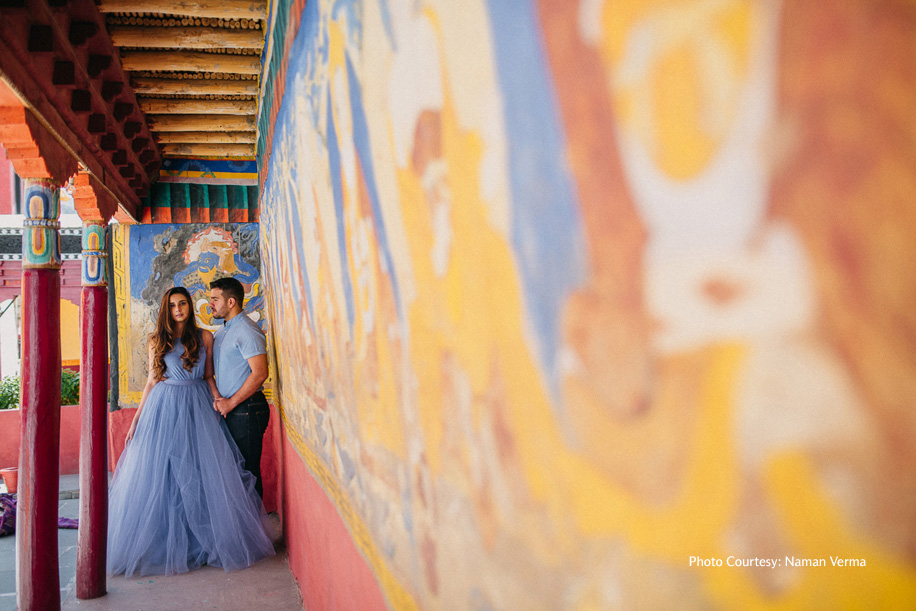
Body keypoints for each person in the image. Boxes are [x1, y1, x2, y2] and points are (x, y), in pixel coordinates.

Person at [108, 287, 275, 576]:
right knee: (167, 474)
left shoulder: (205, 337)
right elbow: (151, 381)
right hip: (165, 405)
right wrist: (137, 419)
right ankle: (168, 542)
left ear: (189, 306)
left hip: (198, 405)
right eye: (172, 305)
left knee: (202, 472)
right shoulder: (156, 340)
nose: (178, 310)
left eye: (182, 303)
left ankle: (205, 540)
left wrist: (219, 402)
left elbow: (208, 375)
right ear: (166, 309)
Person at [209, 277, 271, 498]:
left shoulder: (246, 330)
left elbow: (260, 373)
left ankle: (255, 530)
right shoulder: (223, 331)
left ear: (231, 302)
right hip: (234, 410)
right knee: (237, 472)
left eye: (215, 299)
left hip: (247, 409)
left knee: (247, 472)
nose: (211, 304)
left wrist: (231, 403)